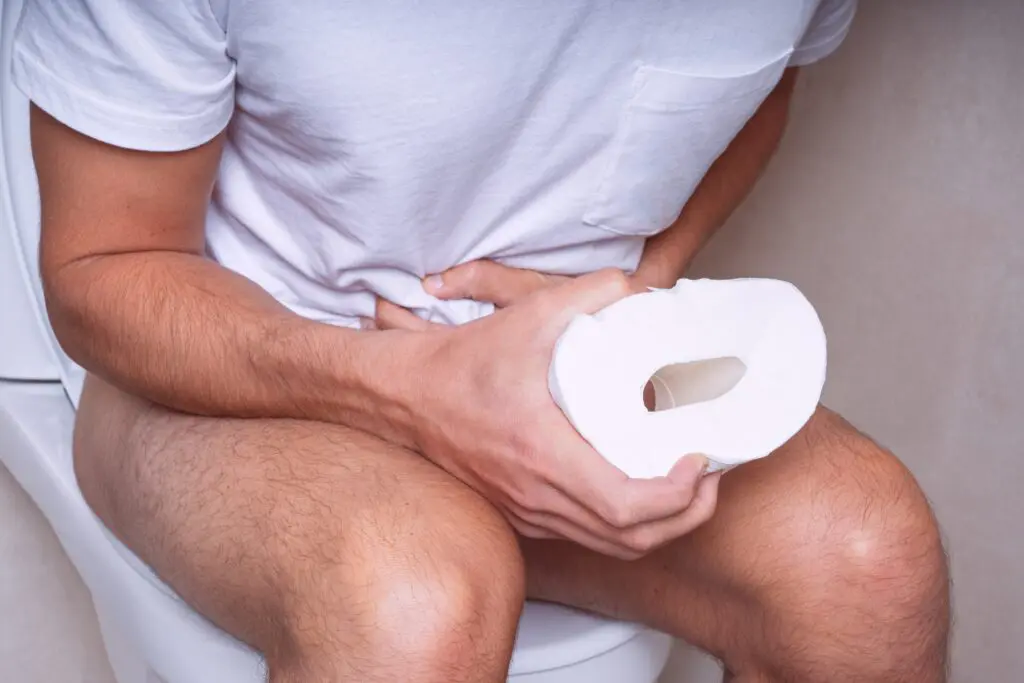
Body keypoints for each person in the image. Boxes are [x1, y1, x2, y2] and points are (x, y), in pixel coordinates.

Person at [13, 1, 950, 681]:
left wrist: (637, 289)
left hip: (564, 378)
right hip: (238, 369)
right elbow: (106, 266)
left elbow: (768, 75)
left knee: (869, 560)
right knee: (415, 602)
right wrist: (408, 390)